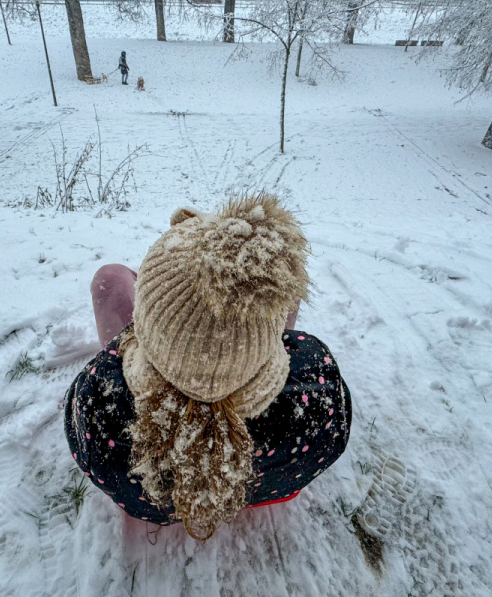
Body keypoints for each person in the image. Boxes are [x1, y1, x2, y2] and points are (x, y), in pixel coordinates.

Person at [64, 193, 352, 540]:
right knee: (277, 280)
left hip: (146, 498)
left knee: (110, 279)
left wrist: (163, 322)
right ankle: (235, 342)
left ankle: (184, 332)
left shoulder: (98, 409)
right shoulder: (319, 394)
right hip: (270, 482)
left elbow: (114, 357)